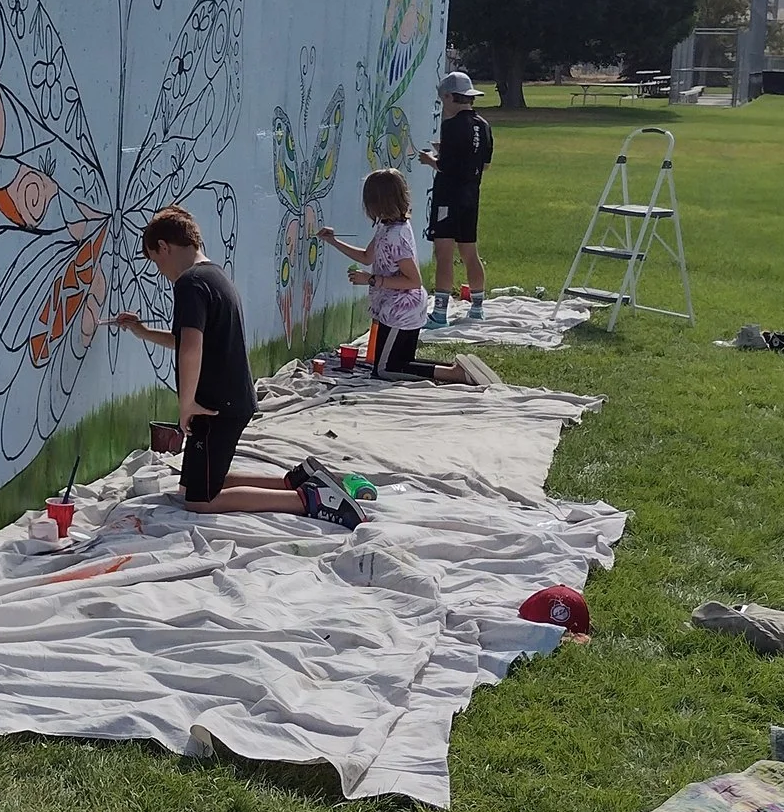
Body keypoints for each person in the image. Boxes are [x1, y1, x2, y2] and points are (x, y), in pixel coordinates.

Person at [110, 208, 345, 519]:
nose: (161, 269)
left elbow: (191, 349)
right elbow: (193, 340)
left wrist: (187, 404)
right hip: (229, 400)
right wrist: (143, 332)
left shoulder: (189, 284)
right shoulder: (213, 274)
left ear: (164, 247)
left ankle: (310, 500)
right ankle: (295, 481)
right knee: (192, 487)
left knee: (200, 501)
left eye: (156, 260)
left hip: (215, 407)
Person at [318, 170, 498, 387]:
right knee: (397, 363)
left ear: (375, 202)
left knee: (386, 370)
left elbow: (413, 280)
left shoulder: (395, 236)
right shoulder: (387, 227)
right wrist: (333, 241)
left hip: (402, 310)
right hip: (394, 309)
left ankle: (456, 375)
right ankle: (454, 369)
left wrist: (372, 280)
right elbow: (367, 257)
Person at [416, 70, 492, 328]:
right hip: (472, 195)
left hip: (449, 195)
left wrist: (430, 160)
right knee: (470, 250)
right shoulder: (483, 124)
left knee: (444, 253)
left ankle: (439, 314)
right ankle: (478, 307)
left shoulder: (451, 125)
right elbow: (484, 164)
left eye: (443, 100)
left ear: (450, 97)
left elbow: (447, 167)